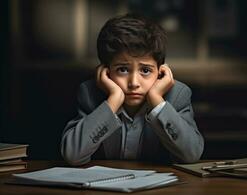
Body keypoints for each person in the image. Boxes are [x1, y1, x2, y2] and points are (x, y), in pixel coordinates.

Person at [61, 13, 204, 166]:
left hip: (160, 187)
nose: (134, 83)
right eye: (122, 69)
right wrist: (113, 100)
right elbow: (73, 155)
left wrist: (157, 101)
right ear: (106, 71)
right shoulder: (89, 93)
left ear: (160, 72)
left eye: (146, 71)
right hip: (105, 187)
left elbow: (191, 154)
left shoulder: (177, 95)